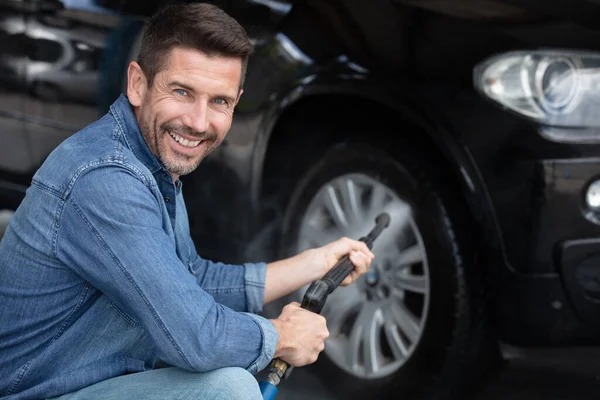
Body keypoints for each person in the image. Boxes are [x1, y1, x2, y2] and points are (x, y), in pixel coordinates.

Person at [0, 3, 374, 400]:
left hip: (87, 378)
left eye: (219, 102)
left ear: (237, 101)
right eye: (182, 92)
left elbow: (192, 281)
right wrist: (279, 336)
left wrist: (314, 263)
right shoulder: (105, 180)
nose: (198, 122)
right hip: (33, 391)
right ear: (138, 84)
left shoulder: (151, 161)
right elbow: (198, 340)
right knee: (229, 391)